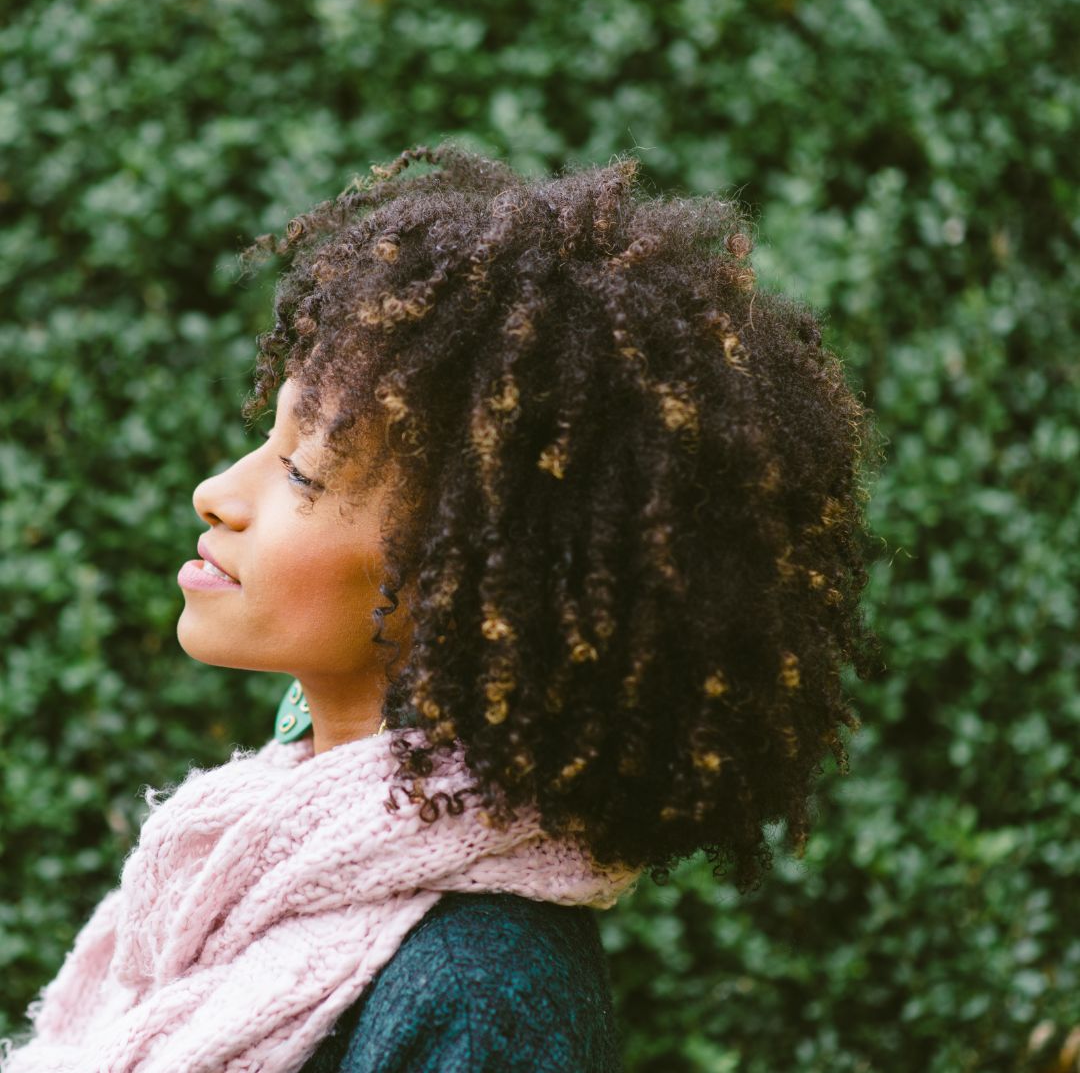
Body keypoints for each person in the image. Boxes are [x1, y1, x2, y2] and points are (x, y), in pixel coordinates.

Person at [0, 142, 884, 1072]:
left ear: (482, 575)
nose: (216, 492)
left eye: (304, 470)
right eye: (268, 437)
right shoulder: (244, 867)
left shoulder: (484, 993)